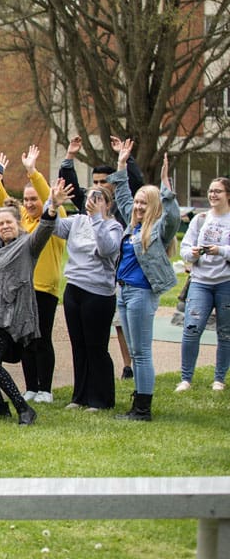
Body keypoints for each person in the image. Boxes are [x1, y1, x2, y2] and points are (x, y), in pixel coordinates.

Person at [0, 167, 63, 425]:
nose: (4, 227)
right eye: (1, 223)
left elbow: (45, 227)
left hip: (9, 315)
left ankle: (24, 409)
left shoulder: (27, 245)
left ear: (17, 223)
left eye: (9, 222)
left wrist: (52, 207)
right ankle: (0, 408)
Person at [0, 145, 66, 404]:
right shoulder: (22, 222)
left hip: (44, 288)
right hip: (23, 287)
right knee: (25, 340)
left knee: (41, 337)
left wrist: (33, 173)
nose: (31, 203)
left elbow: (50, 201)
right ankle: (31, 386)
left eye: (35, 199)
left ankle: (46, 388)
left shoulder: (54, 221)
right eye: (27, 199)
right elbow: (3, 204)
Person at [109, 141, 179, 422]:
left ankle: (142, 409)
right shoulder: (131, 223)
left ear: (153, 206)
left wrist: (166, 187)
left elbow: (172, 217)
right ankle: (137, 404)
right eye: (137, 202)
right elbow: (123, 195)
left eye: (143, 202)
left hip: (141, 293)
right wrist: (121, 164)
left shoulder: (159, 229)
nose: (137, 206)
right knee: (135, 351)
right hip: (124, 293)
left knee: (140, 351)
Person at [53, 184, 123, 411]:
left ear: (108, 204)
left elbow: (106, 249)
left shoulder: (113, 226)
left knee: (96, 347)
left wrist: (96, 219)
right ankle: (80, 396)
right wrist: (53, 204)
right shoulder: (76, 221)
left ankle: (100, 399)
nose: (93, 201)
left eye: (99, 198)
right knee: (78, 345)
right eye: (91, 197)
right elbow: (52, 227)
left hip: (99, 293)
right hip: (74, 288)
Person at [176, 176, 230, 393]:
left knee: (225, 332)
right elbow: (185, 249)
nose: (212, 195)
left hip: (226, 282)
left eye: (218, 191)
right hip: (200, 282)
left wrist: (220, 250)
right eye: (210, 190)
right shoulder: (200, 219)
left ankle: (219, 379)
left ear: (228, 195)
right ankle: (186, 379)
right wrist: (193, 253)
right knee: (191, 328)